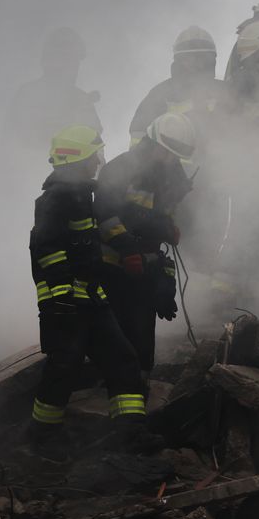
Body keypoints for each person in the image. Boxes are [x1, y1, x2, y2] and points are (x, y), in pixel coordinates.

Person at [28, 125, 147, 457]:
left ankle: (131, 435)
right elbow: (47, 249)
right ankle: (42, 437)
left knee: (123, 360)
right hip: (64, 302)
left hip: (92, 299)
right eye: (93, 154)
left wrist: (125, 249)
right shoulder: (55, 199)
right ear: (78, 157)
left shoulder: (82, 197)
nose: (98, 160)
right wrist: (62, 295)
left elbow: (98, 236)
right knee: (63, 366)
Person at [96, 114, 198, 381]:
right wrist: (127, 249)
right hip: (112, 267)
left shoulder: (172, 176)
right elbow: (105, 217)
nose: (171, 160)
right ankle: (106, 393)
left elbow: (166, 213)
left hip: (145, 267)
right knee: (115, 335)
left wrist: (170, 232)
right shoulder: (120, 170)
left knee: (142, 337)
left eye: (176, 156)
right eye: (167, 153)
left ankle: (140, 397)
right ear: (152, 143)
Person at [6, 27, 102, 154]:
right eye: (68, 60)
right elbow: (15, 141)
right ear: (50, 60)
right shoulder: (28, 95)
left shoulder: (81, 99)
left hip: (73, 172)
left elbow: (96, 146)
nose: (74, 67)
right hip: (32, 170)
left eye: (75, 61)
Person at [129, 26, 225, 148]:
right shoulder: (159, 96)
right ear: (179, 61)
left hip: (223, 165)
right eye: (190, 58)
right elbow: (137, 143)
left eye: (203, 58)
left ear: (212, 61)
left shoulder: (226, 92)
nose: (198, 64)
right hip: (172, 166)